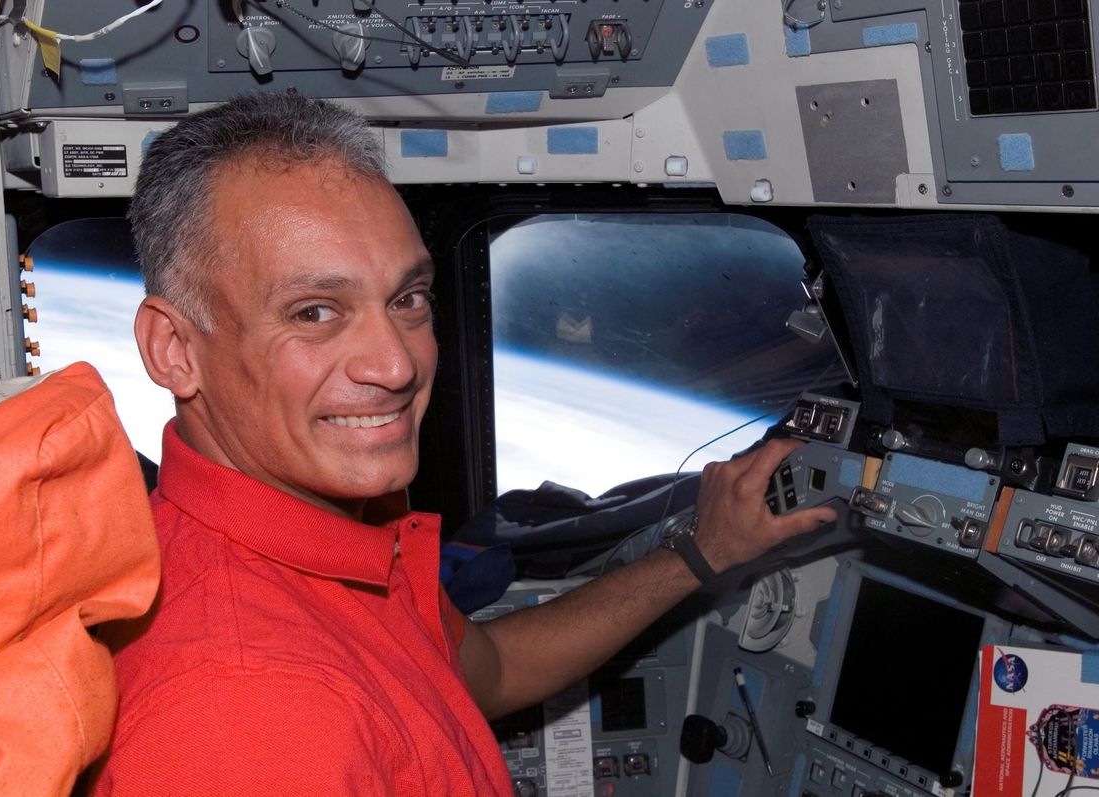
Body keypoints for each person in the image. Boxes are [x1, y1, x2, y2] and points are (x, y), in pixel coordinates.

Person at [91, 92, 836, 796]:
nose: (397, 363)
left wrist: (701, 553)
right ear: (174, 348)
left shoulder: (320, 538)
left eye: (408, 298)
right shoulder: (246, 711)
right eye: (315, 311)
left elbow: (490, 666)